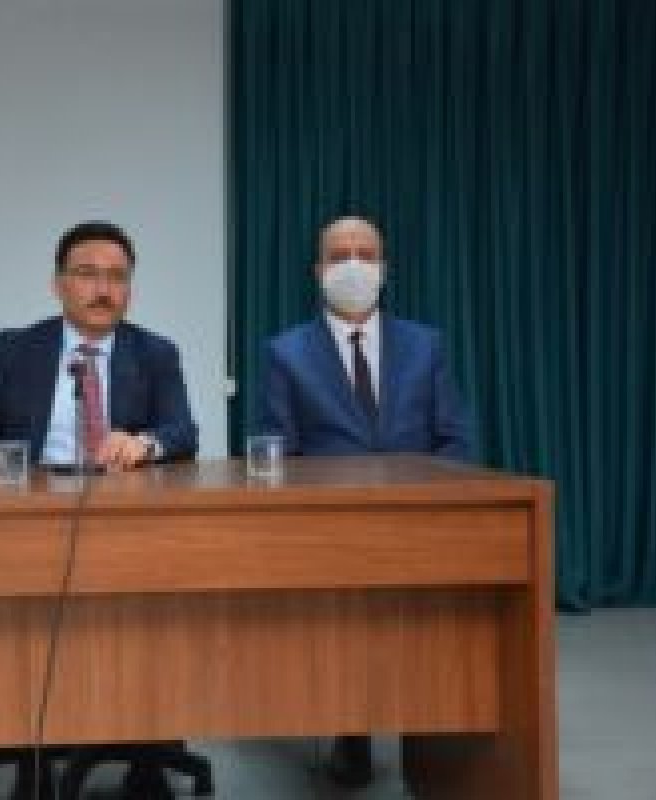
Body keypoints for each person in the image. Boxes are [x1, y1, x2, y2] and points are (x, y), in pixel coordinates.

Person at [0, 220, 198, 799]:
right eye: (87, 274)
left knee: (144, 624)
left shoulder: (155, 353)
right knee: (26, 630)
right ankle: (31, 756)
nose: (103, 289)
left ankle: (146, 755)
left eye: (117, 277)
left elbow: (182, 431)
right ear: (58, 284)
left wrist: (145, 443)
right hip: (28, 520)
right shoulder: (15, 350)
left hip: (125, 521)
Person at [255, 215, 474, 789]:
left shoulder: (426, 344)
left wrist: (438, 504)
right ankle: (351, 727)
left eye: (365, 253)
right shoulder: (286, 352)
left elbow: (454, 436)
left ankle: (437, 732)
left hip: (420, 521)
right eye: (339, 255)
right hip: (331, 529)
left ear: (385, 268)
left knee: (436, 625)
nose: (353, 265)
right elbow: (278, 449)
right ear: (317, 271)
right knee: (349, 619)